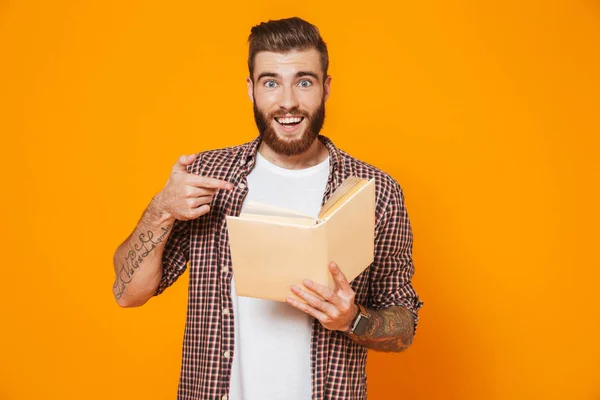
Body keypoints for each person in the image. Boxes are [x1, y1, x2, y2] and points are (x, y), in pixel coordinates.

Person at [112, 16, 423, 400]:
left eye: (304, 82)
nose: (288, 101)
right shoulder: (209, 178)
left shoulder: (376, 193)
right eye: (271, 82)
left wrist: (352, 319)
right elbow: (129, 293)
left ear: (326, 88)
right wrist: (161, 208)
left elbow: (403, 327)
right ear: (251, 89)